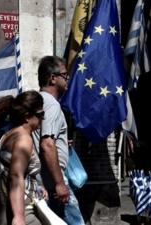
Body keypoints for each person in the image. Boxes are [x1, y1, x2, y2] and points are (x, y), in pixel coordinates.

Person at [32, 55, 85, 225]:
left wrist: (61, 144)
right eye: (65, 75)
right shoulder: (51, 104)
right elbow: (47, 144)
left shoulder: (38, 102)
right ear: (53, 78)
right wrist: (60, 184)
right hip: (52, 183)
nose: (68, 79)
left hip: (42, 183)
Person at [0, 90, 47, 225]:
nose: (44, 118)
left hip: (0, 203)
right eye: (41, 114)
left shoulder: (9, 134)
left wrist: (38, 187)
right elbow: (16, 176)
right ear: (27, 117)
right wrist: (18, 217)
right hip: (21, 209)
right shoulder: (24, 139)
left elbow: (16, 172)